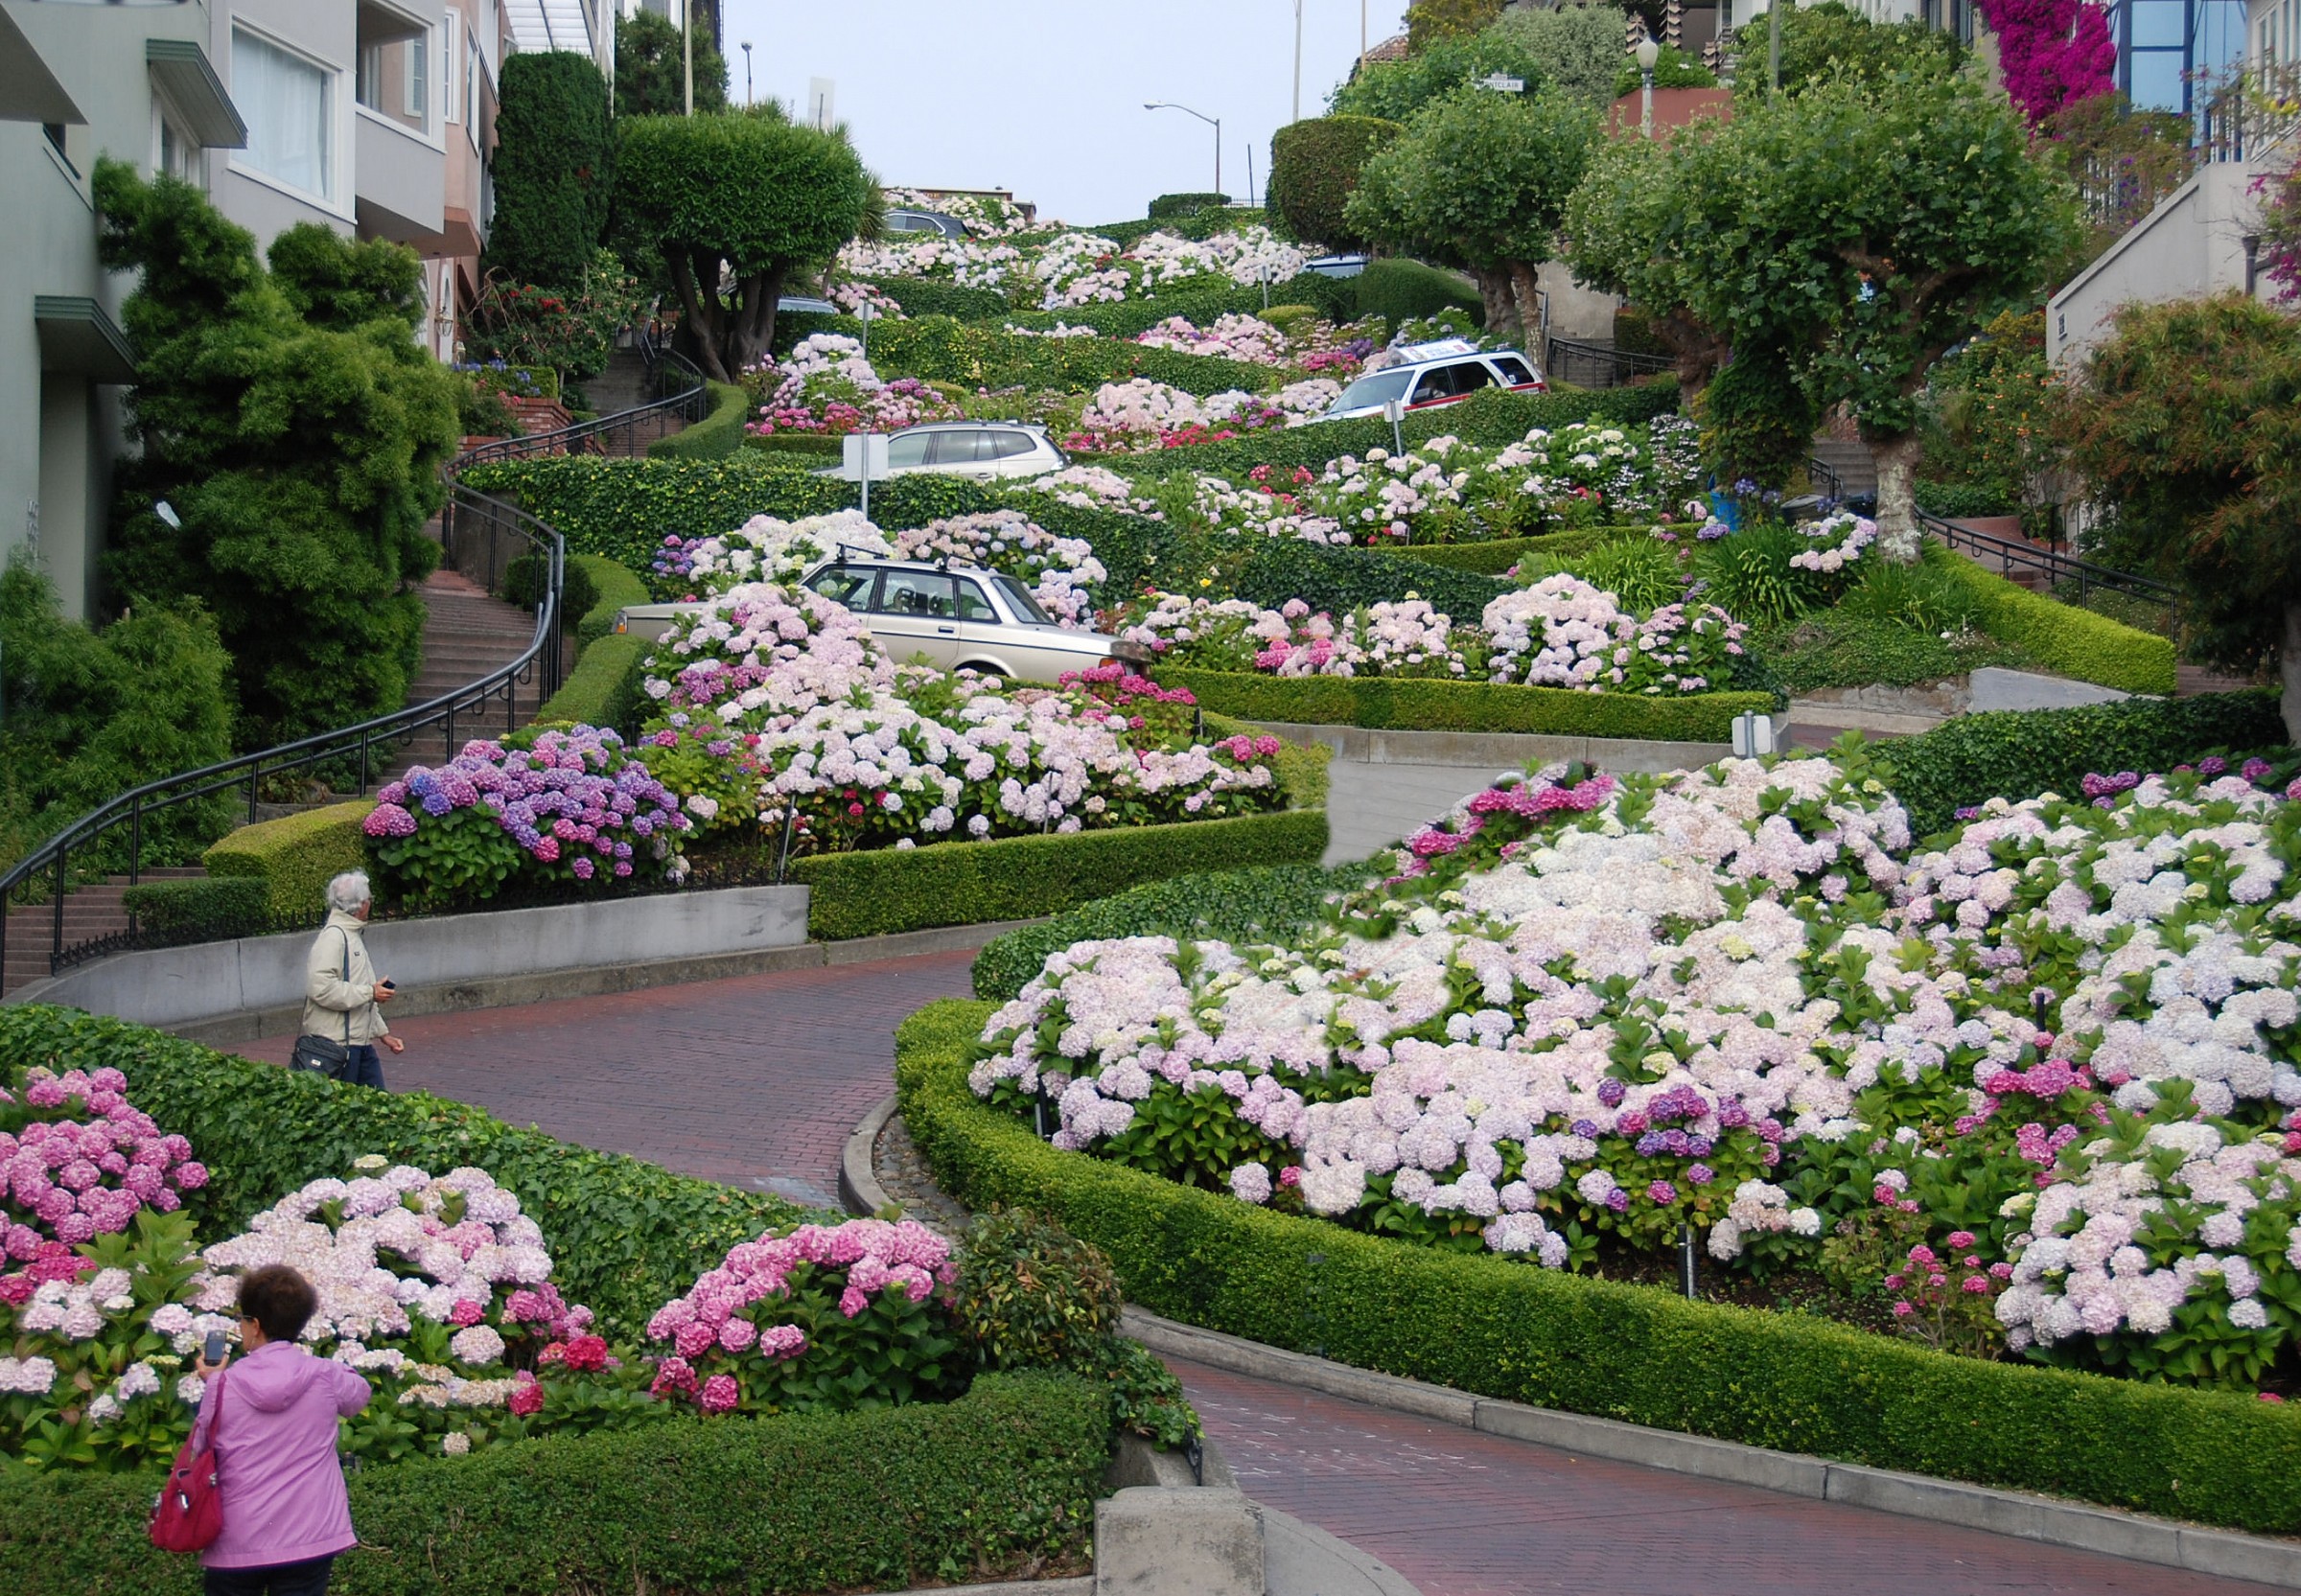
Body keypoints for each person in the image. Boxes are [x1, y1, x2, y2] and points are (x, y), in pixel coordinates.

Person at [190, 1264, 372, 1596]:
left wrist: (213, 1382)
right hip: (310, 1537)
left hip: (236, 1538)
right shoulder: (325, 1375)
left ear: (255, 1325)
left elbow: (199, 1450)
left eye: (242, 1319)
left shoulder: (223, 1385)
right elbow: (359, 1395)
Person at [302, 871, 404, 1089]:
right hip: (337, 1046)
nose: (370, 903)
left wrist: (383, 1033)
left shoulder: (351, 935)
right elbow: (321, 988)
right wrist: (370, 992)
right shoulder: (334, 937)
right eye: (369, 899)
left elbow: (361, 989)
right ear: (362, 905)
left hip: (359, 1042)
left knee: (376, 1103)